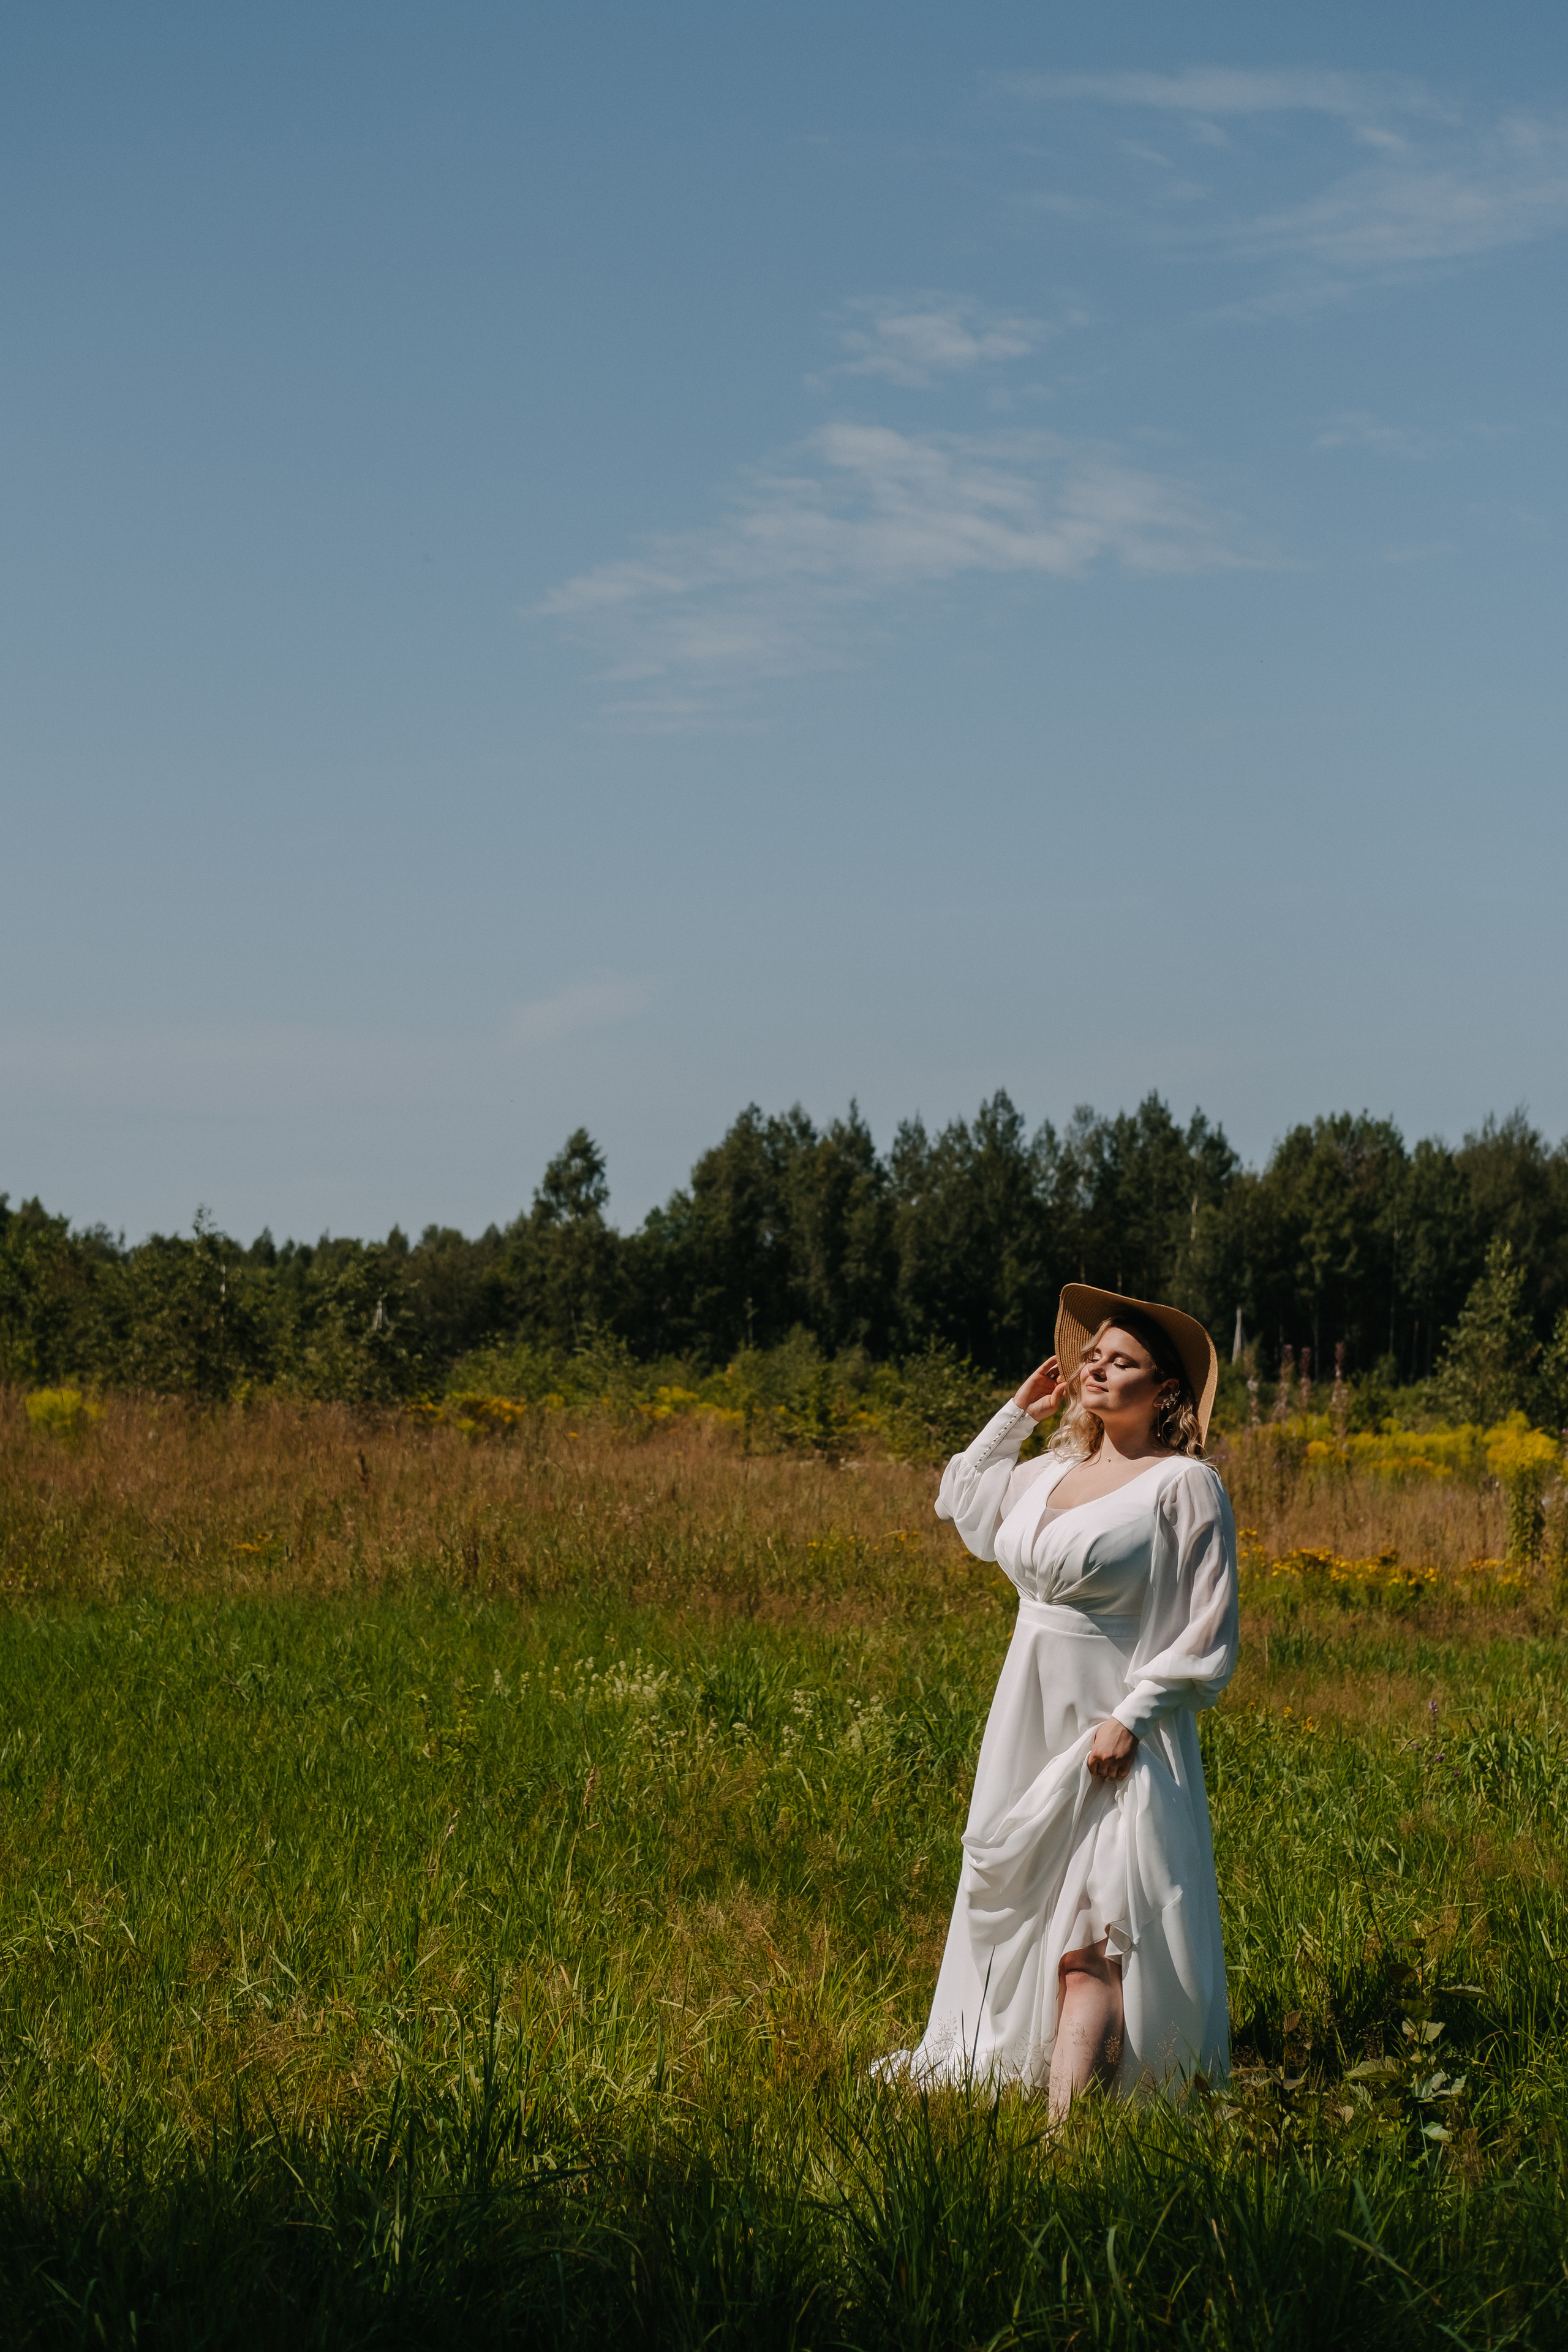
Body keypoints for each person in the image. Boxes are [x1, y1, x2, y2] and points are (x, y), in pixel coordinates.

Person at [881, 1284, 1239, 2116]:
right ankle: (1027, 2076)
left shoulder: (1182, 1484)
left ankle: (1065, 2141)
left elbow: (1207, 1629)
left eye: (1123, 1361)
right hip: (1029, 1717)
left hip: (1115, 1726)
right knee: (1023, 1898)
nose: (1097, 1368)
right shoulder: (1052, 1469)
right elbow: (963, 1504)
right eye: (1093, 1356)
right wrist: (1016, 1414)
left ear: (1167, 1391)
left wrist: (1134, 1717)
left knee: (1099, 1935)